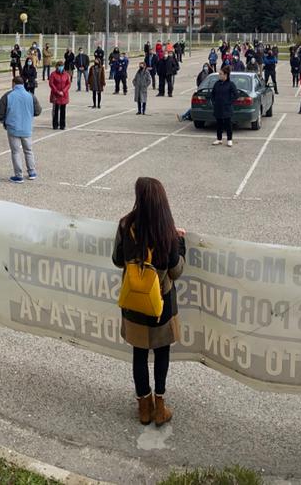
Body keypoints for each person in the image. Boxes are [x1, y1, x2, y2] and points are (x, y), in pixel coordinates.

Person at [112, 177, 187, 427]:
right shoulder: (167, 230)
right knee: (162, 353)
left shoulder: (126, 224)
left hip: (134, 303)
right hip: (161, 305)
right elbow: (176, 271)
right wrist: (181, 244)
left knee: (139, 354)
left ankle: (143, 408)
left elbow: (117, 260)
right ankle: (160, 407)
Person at [0, 75, 42, 182]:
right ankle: (31, 172)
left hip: (13, 128)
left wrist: (3, 121)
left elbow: (0, 112)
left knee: (16, 152)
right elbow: (38, 111)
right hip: (26, 128)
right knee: (28, 150)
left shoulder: (8, 95)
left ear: (13, 84)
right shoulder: (30, 96)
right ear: (23, 84)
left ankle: (18, 175)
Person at [47, 62, 71, 130]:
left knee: (63, 110)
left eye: (62, 66)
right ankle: (55, 125)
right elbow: (51, 84)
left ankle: (62, 125)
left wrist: (63, 91)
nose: (61, 67)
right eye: (59, 66)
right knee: (55, 110)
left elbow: (68, 84)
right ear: (56, 67)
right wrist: (57, 92)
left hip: (64, 95)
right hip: (55, 95)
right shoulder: (53, 74)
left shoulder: (66, 74)